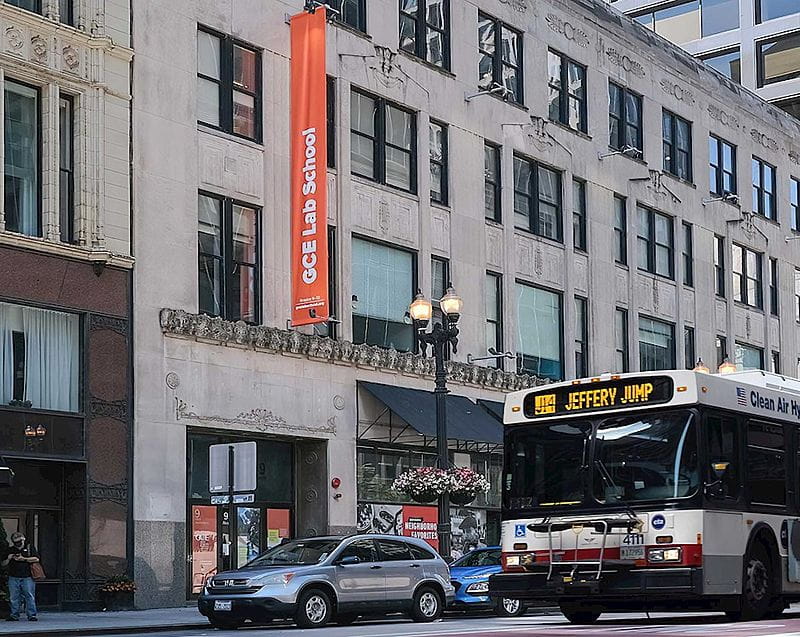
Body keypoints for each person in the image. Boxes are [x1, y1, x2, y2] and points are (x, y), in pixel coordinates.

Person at [1, 531, 39, 621]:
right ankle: (14, 615)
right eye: (16, 542)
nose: (18, 544)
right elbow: (3, 564)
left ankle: (32, 615)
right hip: (13, 576)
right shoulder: (10, 550)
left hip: (27, 576)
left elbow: (36, 558)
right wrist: (9, 558)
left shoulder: (29, 547)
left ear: (23, 540)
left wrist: (24, 559)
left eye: (19, 541)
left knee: (29, 595)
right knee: (14, 597)